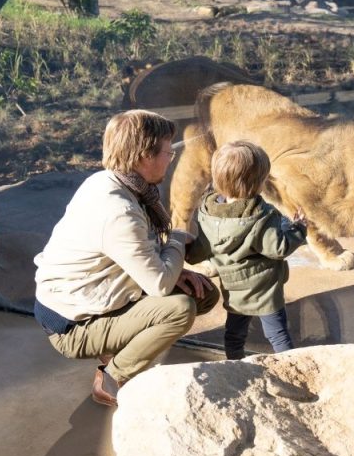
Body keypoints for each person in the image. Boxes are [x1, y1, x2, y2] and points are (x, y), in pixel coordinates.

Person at [33, 110, 219, 407]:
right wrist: (176, 239)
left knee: (202, 293)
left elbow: (137, 251)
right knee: (179, 308)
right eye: (168, 153)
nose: (171, 160)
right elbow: (158, 284)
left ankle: (117, 350)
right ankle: (112, 378)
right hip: (72, 326)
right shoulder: (118, 211)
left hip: (90, 298)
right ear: (144, 156)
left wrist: (176, 269)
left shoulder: (111, 181)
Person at [187, 140, 307, 360]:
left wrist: (183, 247)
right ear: (257, 183)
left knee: (234, 334)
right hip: (264, 291)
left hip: (233, 290)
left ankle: (235, 364)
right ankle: (293, 367)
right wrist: (297, 229)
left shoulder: (207, 214)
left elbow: (197, 252)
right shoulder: (262, 216)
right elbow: (278, 248)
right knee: (278, 335)